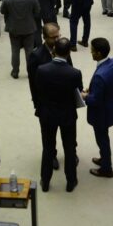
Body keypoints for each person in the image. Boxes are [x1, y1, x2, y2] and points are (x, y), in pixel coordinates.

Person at [35, 38, 83, 192]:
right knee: (69, 149)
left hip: (47, 114)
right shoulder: (75, 73)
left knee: (48, 148)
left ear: (53, 50)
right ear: (69, 53)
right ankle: (71, 181)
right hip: (67, 115)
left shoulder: (42, 70)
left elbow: (38, 91)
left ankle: (46, 181)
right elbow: (78, 92)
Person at [83, 38, 113, 178]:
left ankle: (106, 168)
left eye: (92, 51)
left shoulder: (100, 76)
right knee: (104, 138)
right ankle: (104, 159)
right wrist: (94, 89)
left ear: (99, 53)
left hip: (101, 115)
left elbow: (94, 101)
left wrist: (85, 96)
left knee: (102, 140)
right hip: (112, 108)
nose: (91, 53)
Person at [2, 0, 40, 79]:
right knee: (29, 51)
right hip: (29, 28)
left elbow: (2, 11)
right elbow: (37, 12)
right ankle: (30, 72)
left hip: (13, 28)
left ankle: (15, 72)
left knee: (15, 50)